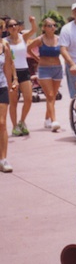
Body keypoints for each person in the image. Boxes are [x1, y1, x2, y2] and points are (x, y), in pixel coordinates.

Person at [27, 18, 62, 132]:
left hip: (57, 68)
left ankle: (47, 118)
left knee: (53, 96)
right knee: (50, 95)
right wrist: (36, 58)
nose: (52, 27)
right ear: (44, 28)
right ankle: (54, 121)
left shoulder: (59, 39)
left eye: (53, 25)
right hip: (44, 69)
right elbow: (29, 48)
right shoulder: (40, 39)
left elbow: (65, 50)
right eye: (49, 25)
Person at [6, 16, 37, 136]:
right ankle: (14, 126)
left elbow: (34, 30)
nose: (13, 27)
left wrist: (32, 21)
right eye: (10, 26)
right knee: (13, 101)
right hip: (11, 75)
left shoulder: (23, 37)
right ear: (7, 29)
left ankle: (22, 121)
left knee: (28, 99)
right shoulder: (5, 41)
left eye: (15, 25)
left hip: (24, 71)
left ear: (19, 27)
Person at [0, 21, 17, 171]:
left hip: (1, 87)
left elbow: (9, 65)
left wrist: (12, 82)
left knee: (2, 123)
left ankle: (3, 159)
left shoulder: (5, 45)